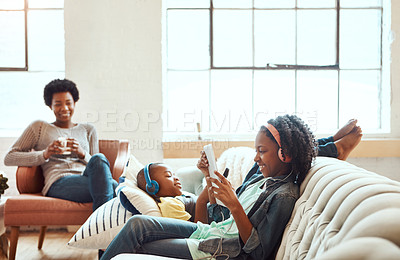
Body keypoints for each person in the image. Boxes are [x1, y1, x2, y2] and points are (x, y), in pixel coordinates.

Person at [100, 114, 362, 260]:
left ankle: (335, 147)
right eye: (256, 150)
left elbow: (257, 253)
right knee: (138, 225)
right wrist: (214, 189)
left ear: (285, 154)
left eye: (262, 151)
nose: (256, 157)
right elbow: (221, 219)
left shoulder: (284, 196)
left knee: (138, 247)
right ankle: (333, 143)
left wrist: (235, 205)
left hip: (223, 250)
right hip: (212, 231)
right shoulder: (259, 176)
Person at [4, 79, 117, 211]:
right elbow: (9, 157)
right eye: (58, 104)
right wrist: (45, 154)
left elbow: (97, 168)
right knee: (116, 188)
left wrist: (82, 153)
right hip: (58, 182)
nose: (64, 108)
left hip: (85, 177)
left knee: (99, 158)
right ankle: (103, 225)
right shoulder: (39, 127)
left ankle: (99, 224)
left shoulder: (88, 129)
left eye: (68, 103)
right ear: (50, 106)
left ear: (75, 103)